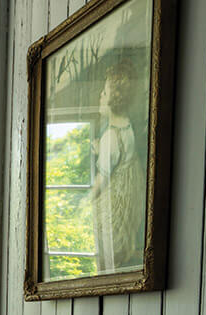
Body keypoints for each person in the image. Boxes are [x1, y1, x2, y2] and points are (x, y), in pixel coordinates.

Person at [89, 56, 145, 273]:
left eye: (104, 92)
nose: (100, 96)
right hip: (129, 198)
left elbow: (101, 180)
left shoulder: (110, 137)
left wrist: (86, 200)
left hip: (115, 210)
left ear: (114, 99)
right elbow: (119, 155)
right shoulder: (126, 127)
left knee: (104, 252)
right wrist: (100, 151)